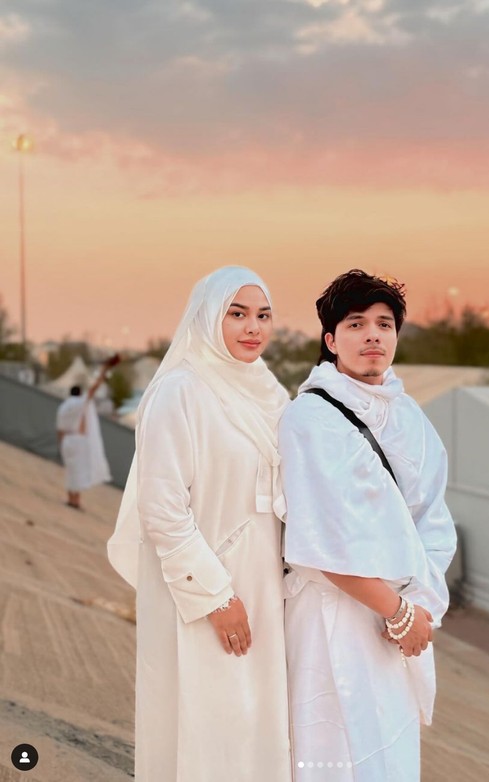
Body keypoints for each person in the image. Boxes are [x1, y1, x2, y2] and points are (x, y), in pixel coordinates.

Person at [107, 267, 292, 782]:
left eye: (262, 315)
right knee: (205, 725)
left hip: (265, 590)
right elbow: (163, 509)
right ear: (209, 318)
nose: (252, 327)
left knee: (257, 725)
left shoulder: (272, 395)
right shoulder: (180, 391)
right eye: (236, 314)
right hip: (206, 593)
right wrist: (216, 597)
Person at [280, 269, 457, 781]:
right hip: (332, 615)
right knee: (329, 753)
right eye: (356, 324)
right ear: (331, 340)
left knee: (389, 757)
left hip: (400, 622)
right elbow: (319, 540)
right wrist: (398, 612)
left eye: (384, 324)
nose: (373, 335)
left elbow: (435, 520)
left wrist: (420, 608)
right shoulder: (309, 418)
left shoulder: (408, 417)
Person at [56, 356, 116, 509]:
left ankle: (72, 498)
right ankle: (75, 500)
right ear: (79, 393)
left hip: (66, 440)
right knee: (78, 470)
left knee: (71, 470)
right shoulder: (79, 403)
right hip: (78, 440)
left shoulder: (63, 407)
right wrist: (104, 373)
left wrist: (61, 444)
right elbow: (93, 389)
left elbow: (60, 429)